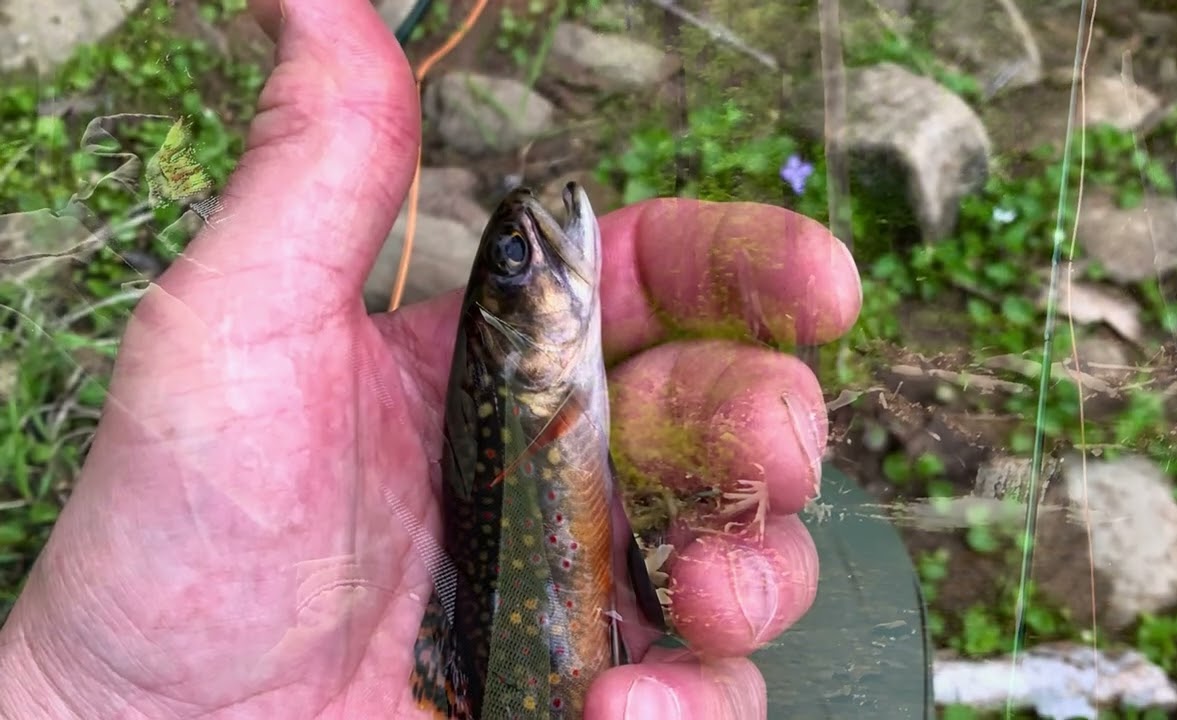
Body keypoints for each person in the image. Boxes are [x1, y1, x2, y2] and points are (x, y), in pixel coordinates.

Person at [0, 1, 862, 717]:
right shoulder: (539, 403)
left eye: (514, 261)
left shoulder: (543, 400)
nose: (538, 230)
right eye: (519, 263)